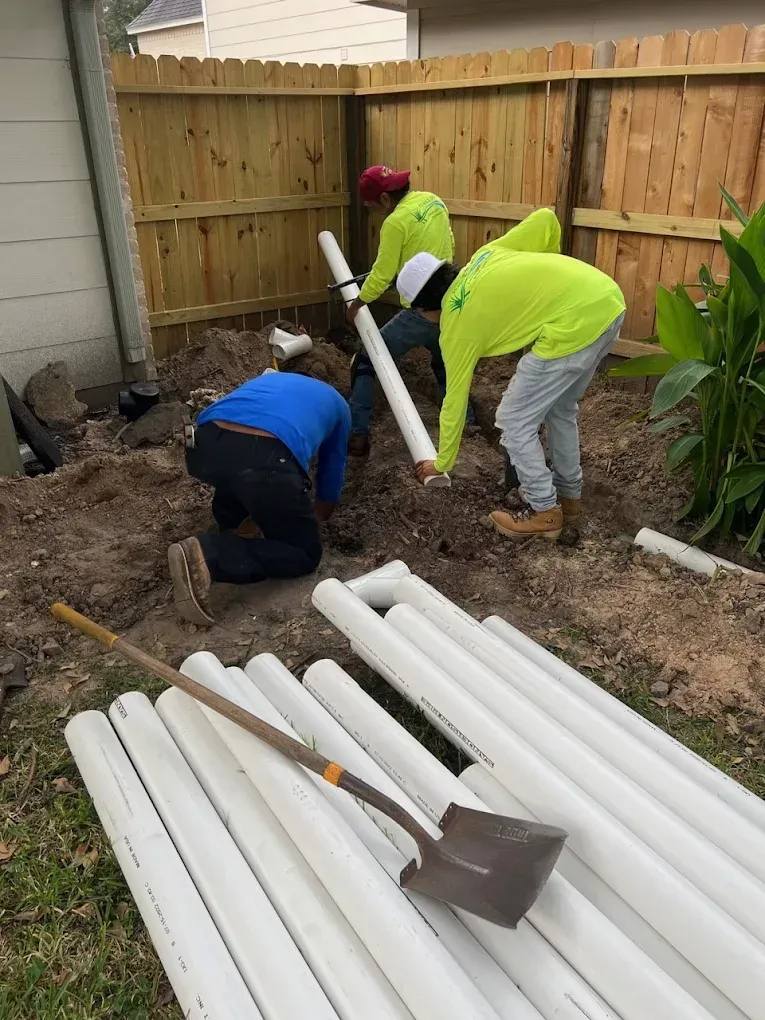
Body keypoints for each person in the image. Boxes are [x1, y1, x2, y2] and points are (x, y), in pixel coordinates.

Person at [397, 209, 626, 541]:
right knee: (561, 410)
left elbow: (455, 400)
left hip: (572, 325)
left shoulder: (457, 325)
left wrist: (442, 463)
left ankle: (544, 510)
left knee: (513, 419)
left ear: (421, 308)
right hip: (607, 301)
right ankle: (569, 500)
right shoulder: (484, 256)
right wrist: (548, 285)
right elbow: (546, 219)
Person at [168, 371, 350, 625]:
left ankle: (236, 526)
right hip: (263, 456)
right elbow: (332, 469)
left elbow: (235, 431)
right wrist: (313, 518)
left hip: (204, 445)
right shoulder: (340, 406)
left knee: (242, 477)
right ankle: (206, 554)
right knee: (304, 554)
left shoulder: (271, 381)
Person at [345, 164, 475, 455]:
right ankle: (467, 428)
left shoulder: (395, 223)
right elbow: (448, 244)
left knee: (367, 360)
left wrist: (357, 304)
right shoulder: (434, 201)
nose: (374, 211)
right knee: (448, 367)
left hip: (418, 314)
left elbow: (381, 275)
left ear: (385, 200)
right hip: (451, 306)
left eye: (372, 205)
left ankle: (357, 435)